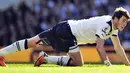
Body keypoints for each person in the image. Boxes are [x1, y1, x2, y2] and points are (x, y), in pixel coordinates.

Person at [0, 7, 130, 67]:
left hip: (66, 28)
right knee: (78, 62)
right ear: (116, 18)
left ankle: (2, 53)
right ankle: (45, 58)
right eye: (123, 20)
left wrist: (127, 64)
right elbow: (99, 47)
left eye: (126, 22)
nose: (124, 24)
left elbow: (118, 47)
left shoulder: (113, 29)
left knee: (33, 42)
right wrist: (108, 65)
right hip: (68, 32)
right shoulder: (106, 24)